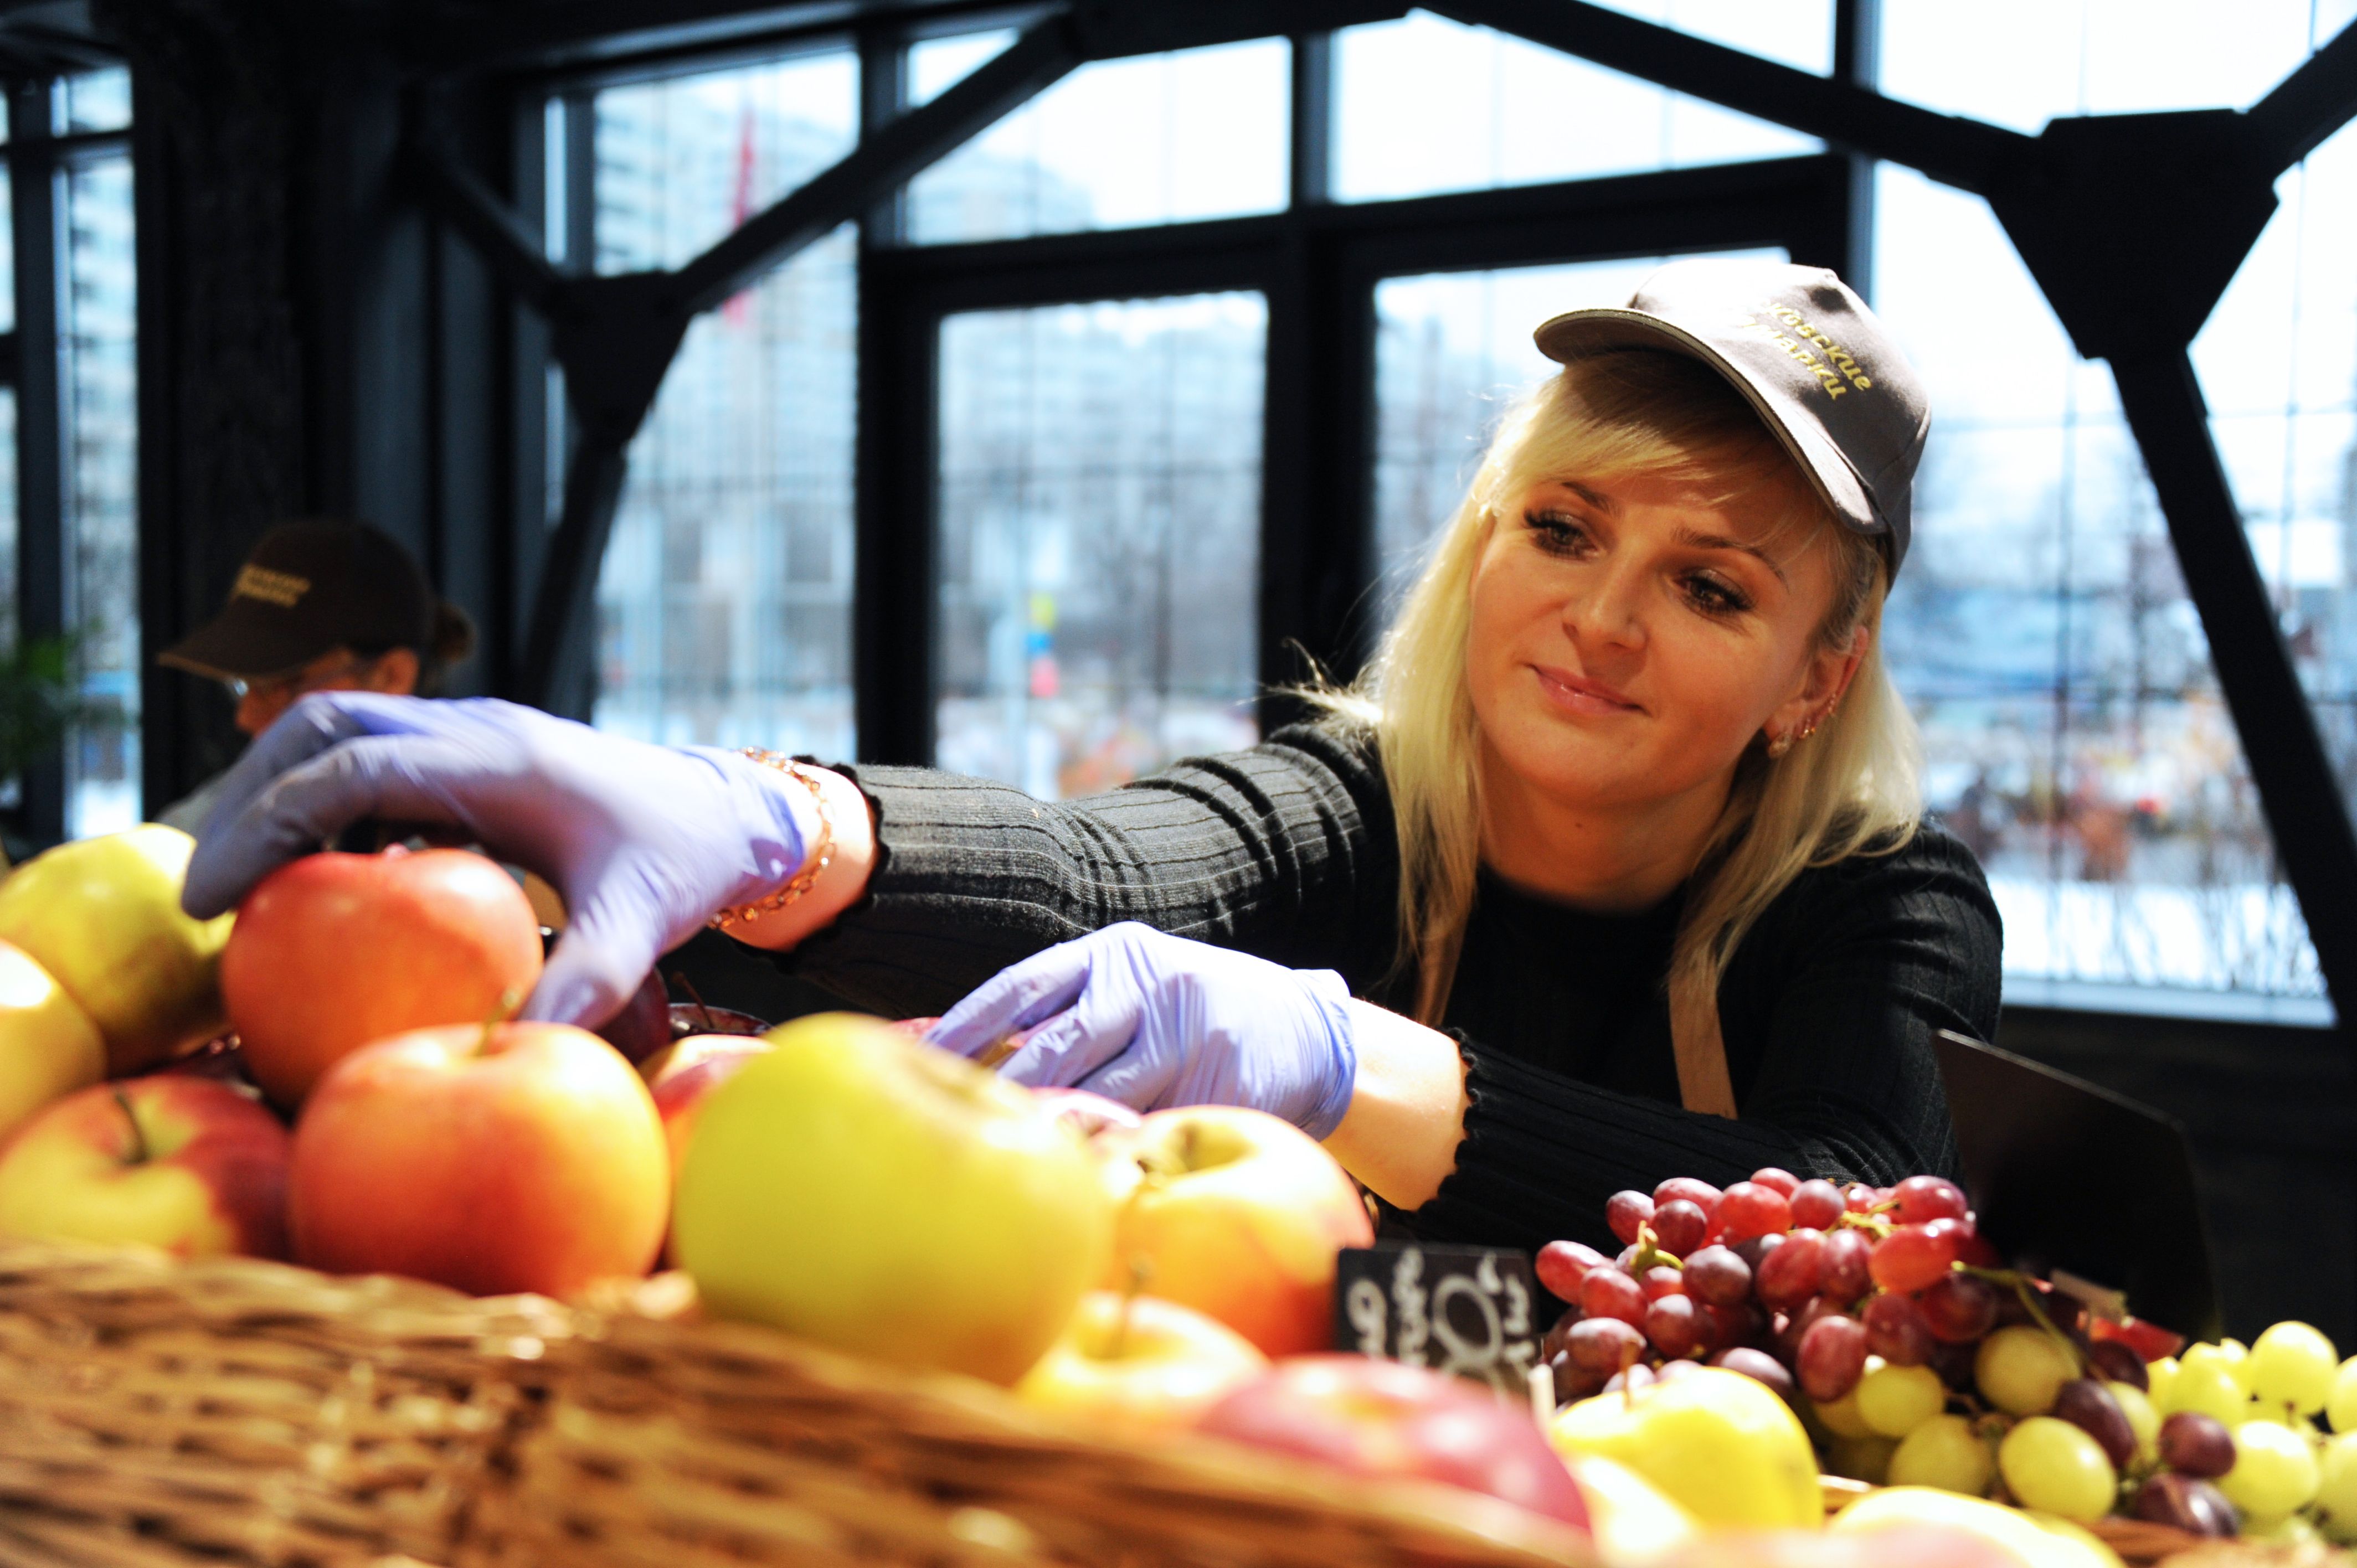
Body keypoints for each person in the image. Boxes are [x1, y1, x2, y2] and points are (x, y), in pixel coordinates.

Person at [179, 261, 2000, 1257]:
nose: (1599, 617)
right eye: (1560, 527)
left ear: (1811, 674)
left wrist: (1340, 1053)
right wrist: (778, 823)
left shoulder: (1874, 912)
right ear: (1481, 540)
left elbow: (1854, 1207)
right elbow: (1106, 869)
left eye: (1704, 582)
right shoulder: (1348, 809)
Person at [153, 520, 477, 834]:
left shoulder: (481, 852)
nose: (246, 717)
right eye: (241, 683)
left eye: (280, 686)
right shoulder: (199, 830)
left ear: (391, 677)